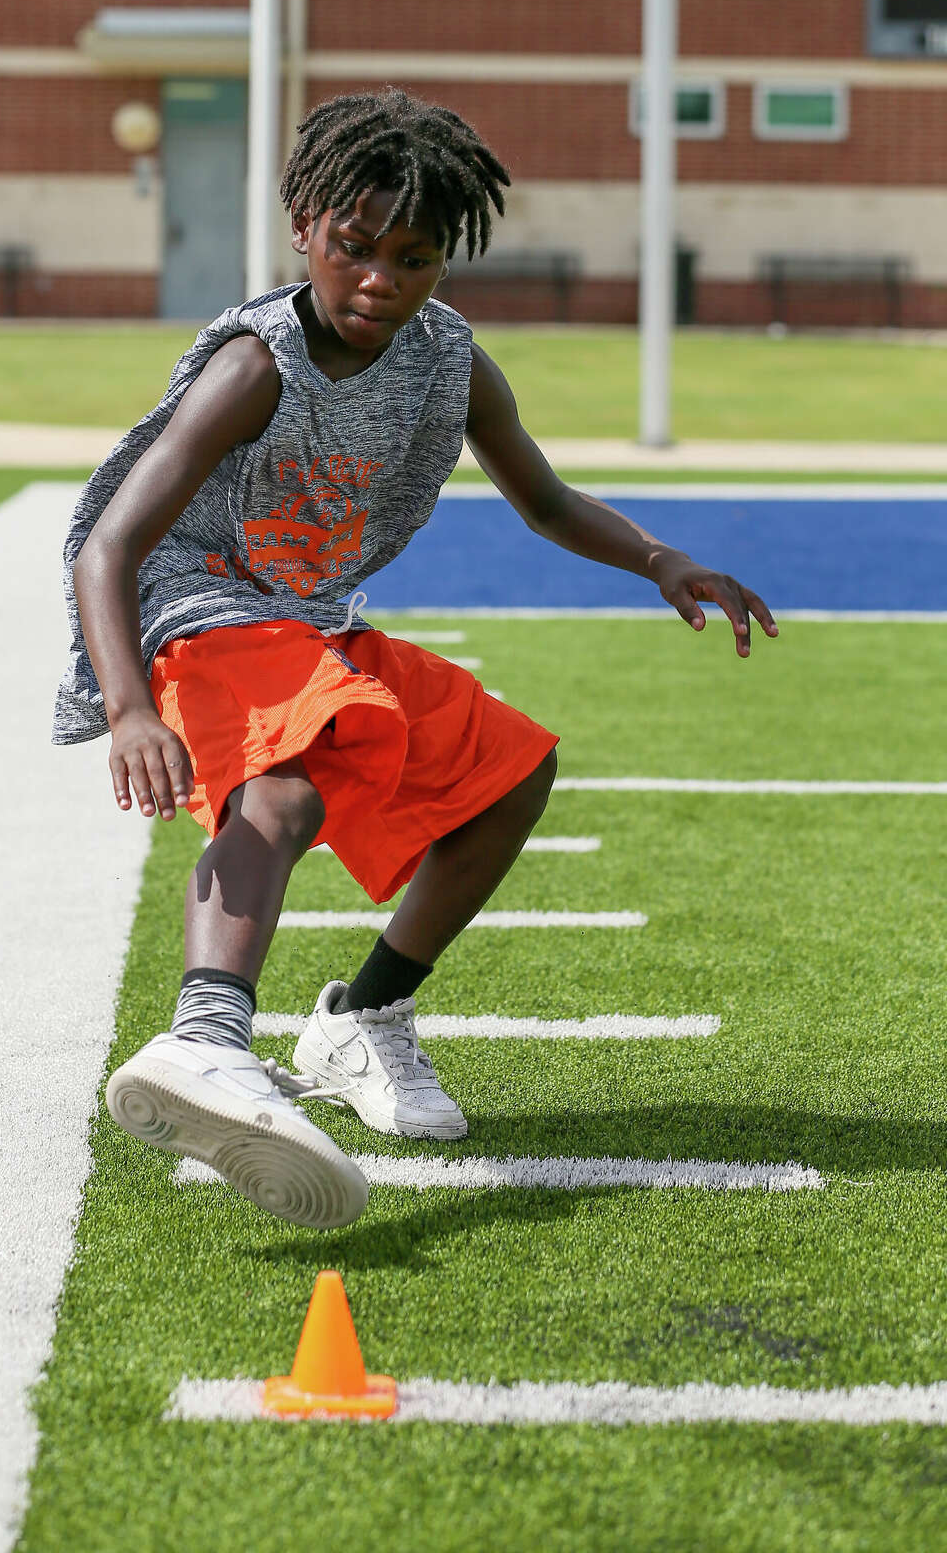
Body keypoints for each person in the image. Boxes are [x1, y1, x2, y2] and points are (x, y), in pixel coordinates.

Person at [54, 87, 777, 1233]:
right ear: (306, 228)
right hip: (200, 601)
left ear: (444, 263)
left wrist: (660, 559)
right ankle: (205, 1037)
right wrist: (134, 708)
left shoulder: (448, 361)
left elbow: (538, 496)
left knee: (511, 770)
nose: (379, 277)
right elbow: (111, 543)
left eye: (414, 256)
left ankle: (363, 1017)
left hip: (310, 615)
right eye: (354, 247)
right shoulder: (259, 363)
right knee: (280, 790)